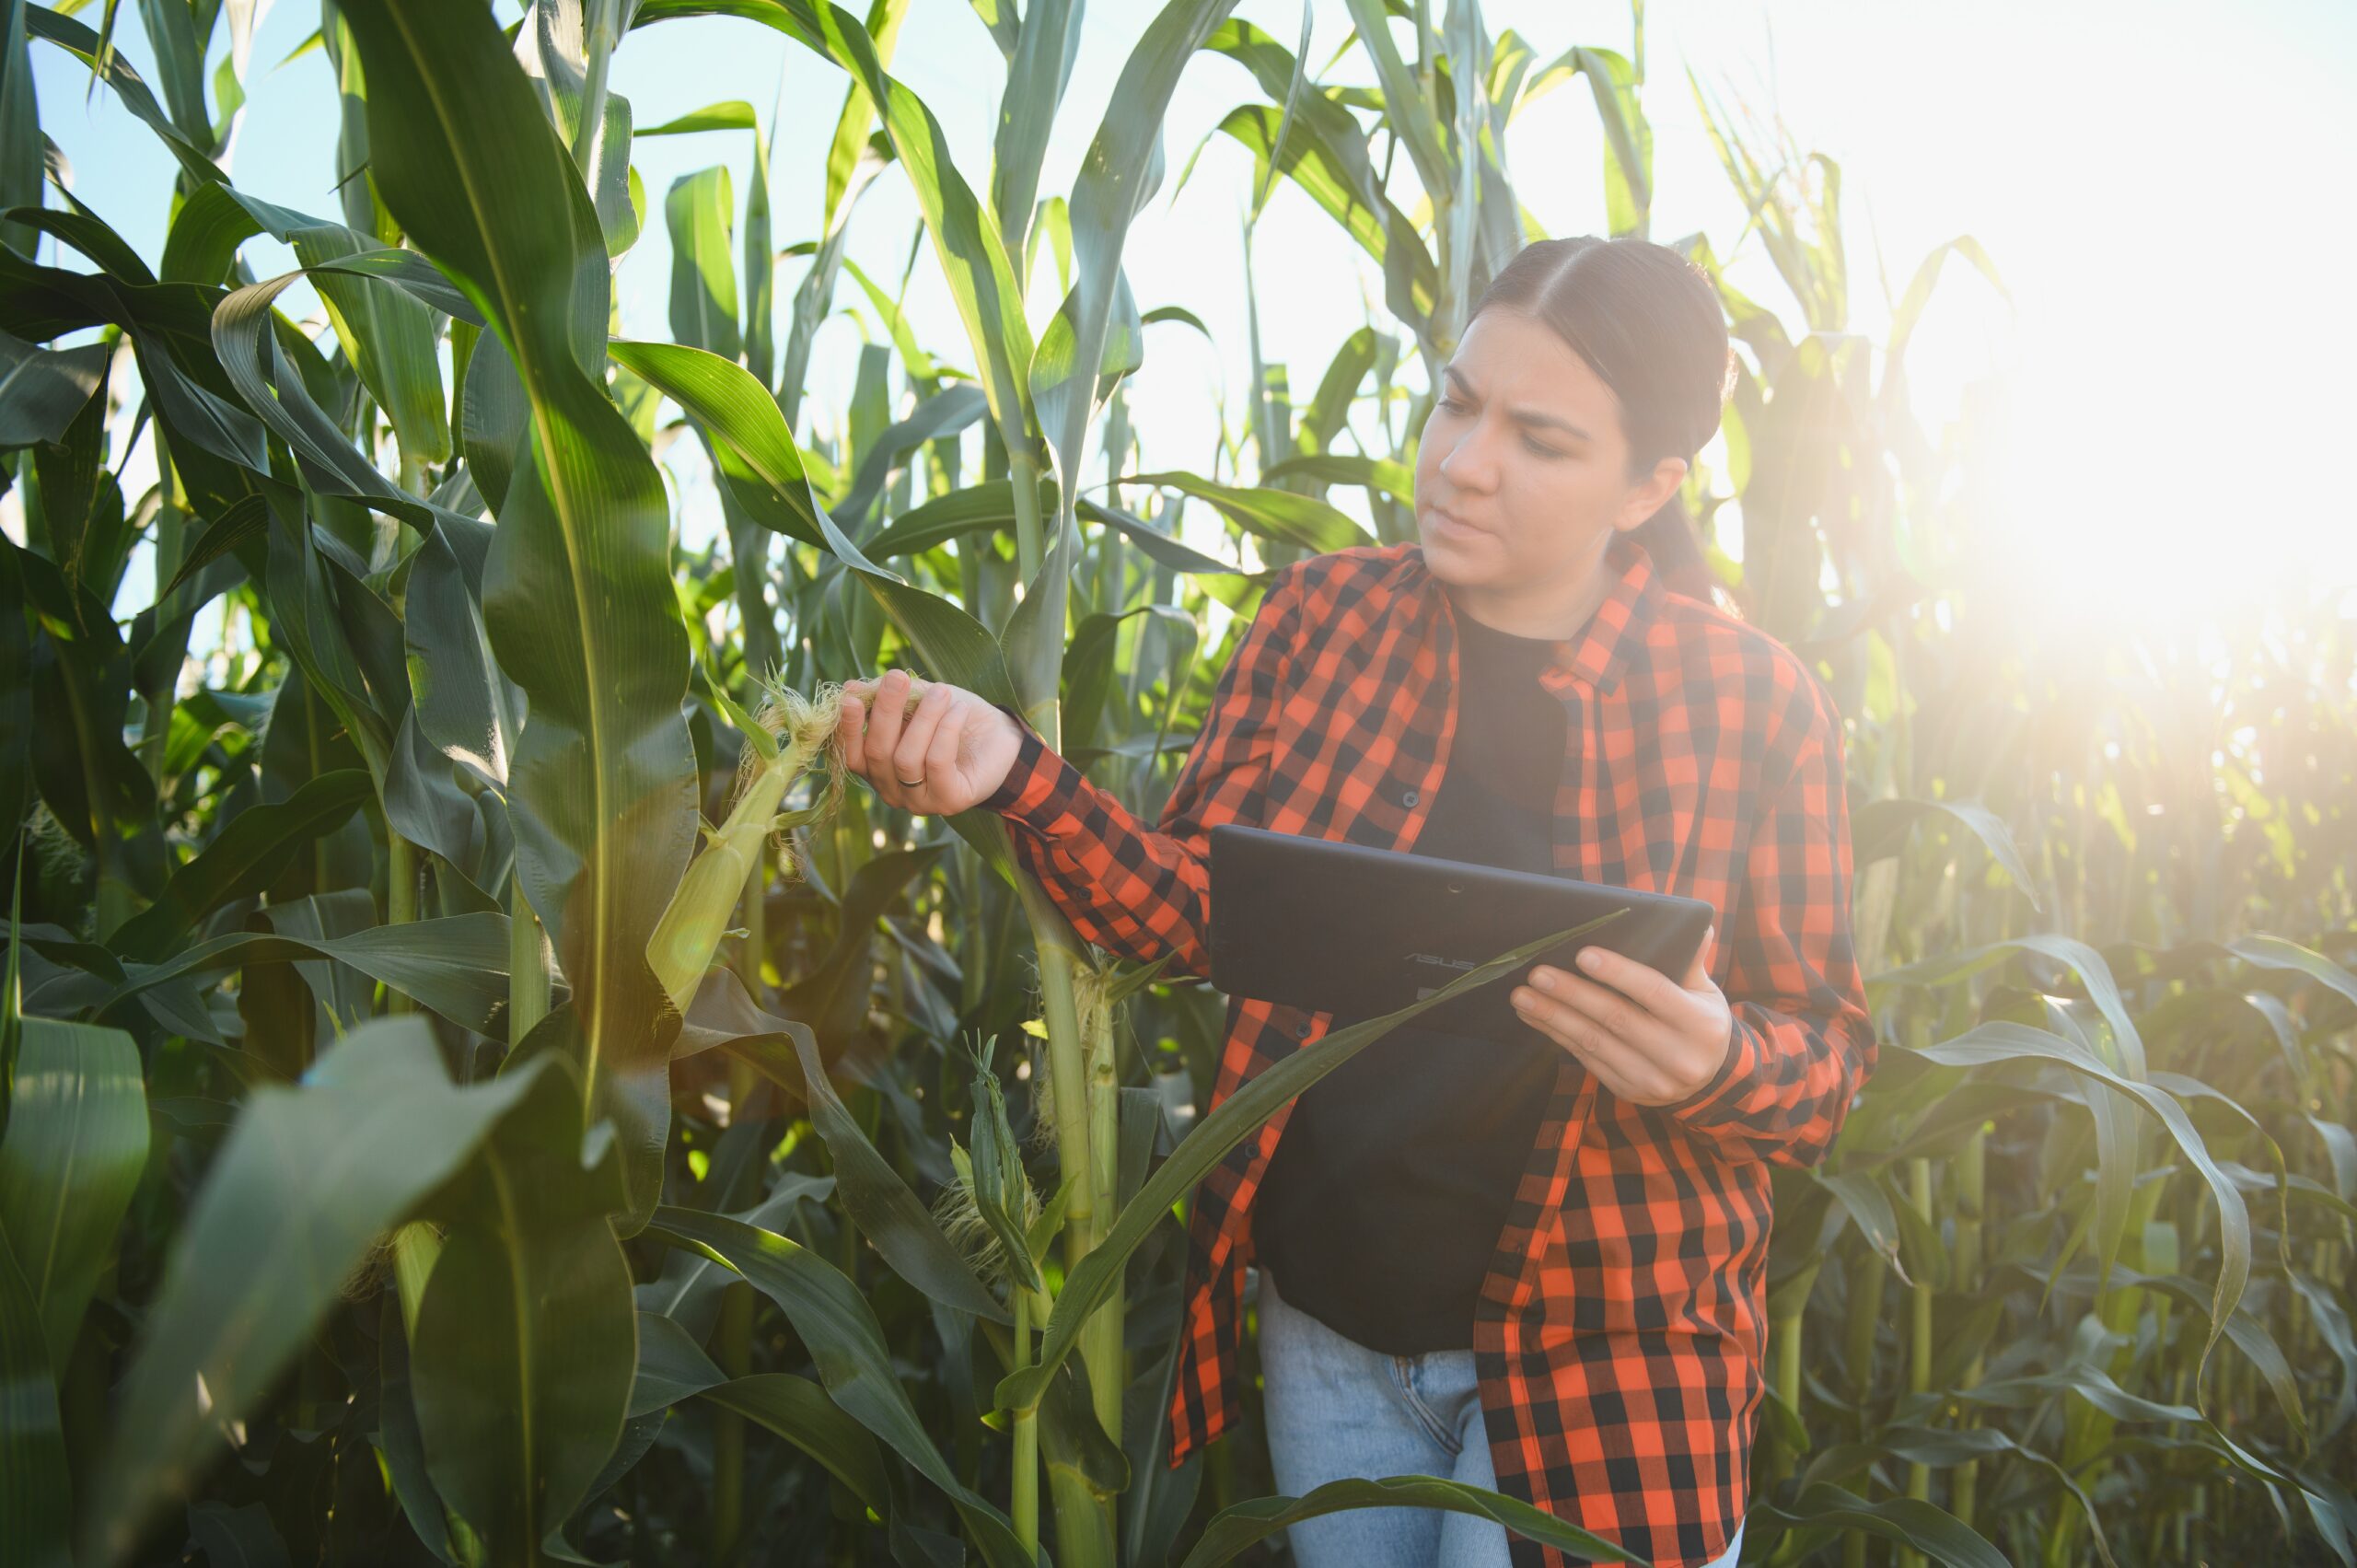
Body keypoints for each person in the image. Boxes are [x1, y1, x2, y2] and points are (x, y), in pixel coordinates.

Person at [833, 235, 1876, 1568]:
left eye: (1542, 440)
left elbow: (1831, 1064)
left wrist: (1719, 1059)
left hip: (1607, 1357)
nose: (1462, 461)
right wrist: (1011, 777)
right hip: (1326, 1334)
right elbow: (1196, 911)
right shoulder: (1321, 620)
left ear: (1649, 484)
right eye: (1458, 402)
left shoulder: (1753, 702)